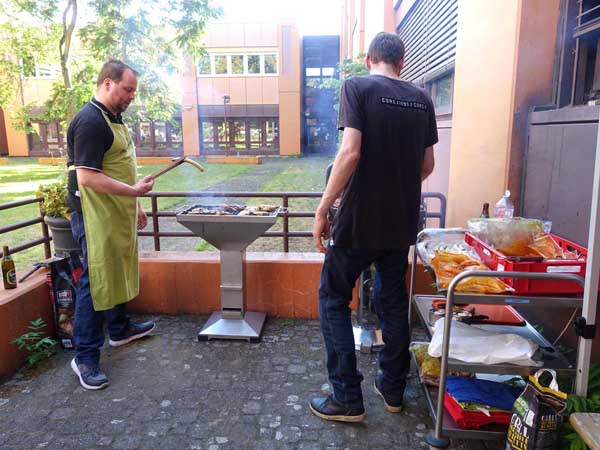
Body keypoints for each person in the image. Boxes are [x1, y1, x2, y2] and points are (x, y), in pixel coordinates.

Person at [310, 32, 437, 422]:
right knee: (393, 301)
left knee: (333, 297)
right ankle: (393, 389)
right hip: (400, 222)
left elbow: (350, 152)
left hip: (359, 219)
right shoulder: (422, 99)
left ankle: (347, 397)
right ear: (402, 62)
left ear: (369, 60)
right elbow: (427, 166)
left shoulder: (358, 87)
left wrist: (322, 208)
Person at [66, 59, 156, 390]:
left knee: (117, 265)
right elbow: (87, 177)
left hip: (116, 209)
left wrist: (135, 204)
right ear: (108, 83)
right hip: (93, 214)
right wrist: (133, 193)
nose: (132, 96)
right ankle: (84, 357)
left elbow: (121, 166)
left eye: (134, 91)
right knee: (95, 278)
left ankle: (118, 329)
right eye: (127, 89)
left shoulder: (113, 118)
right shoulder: (90, 121)